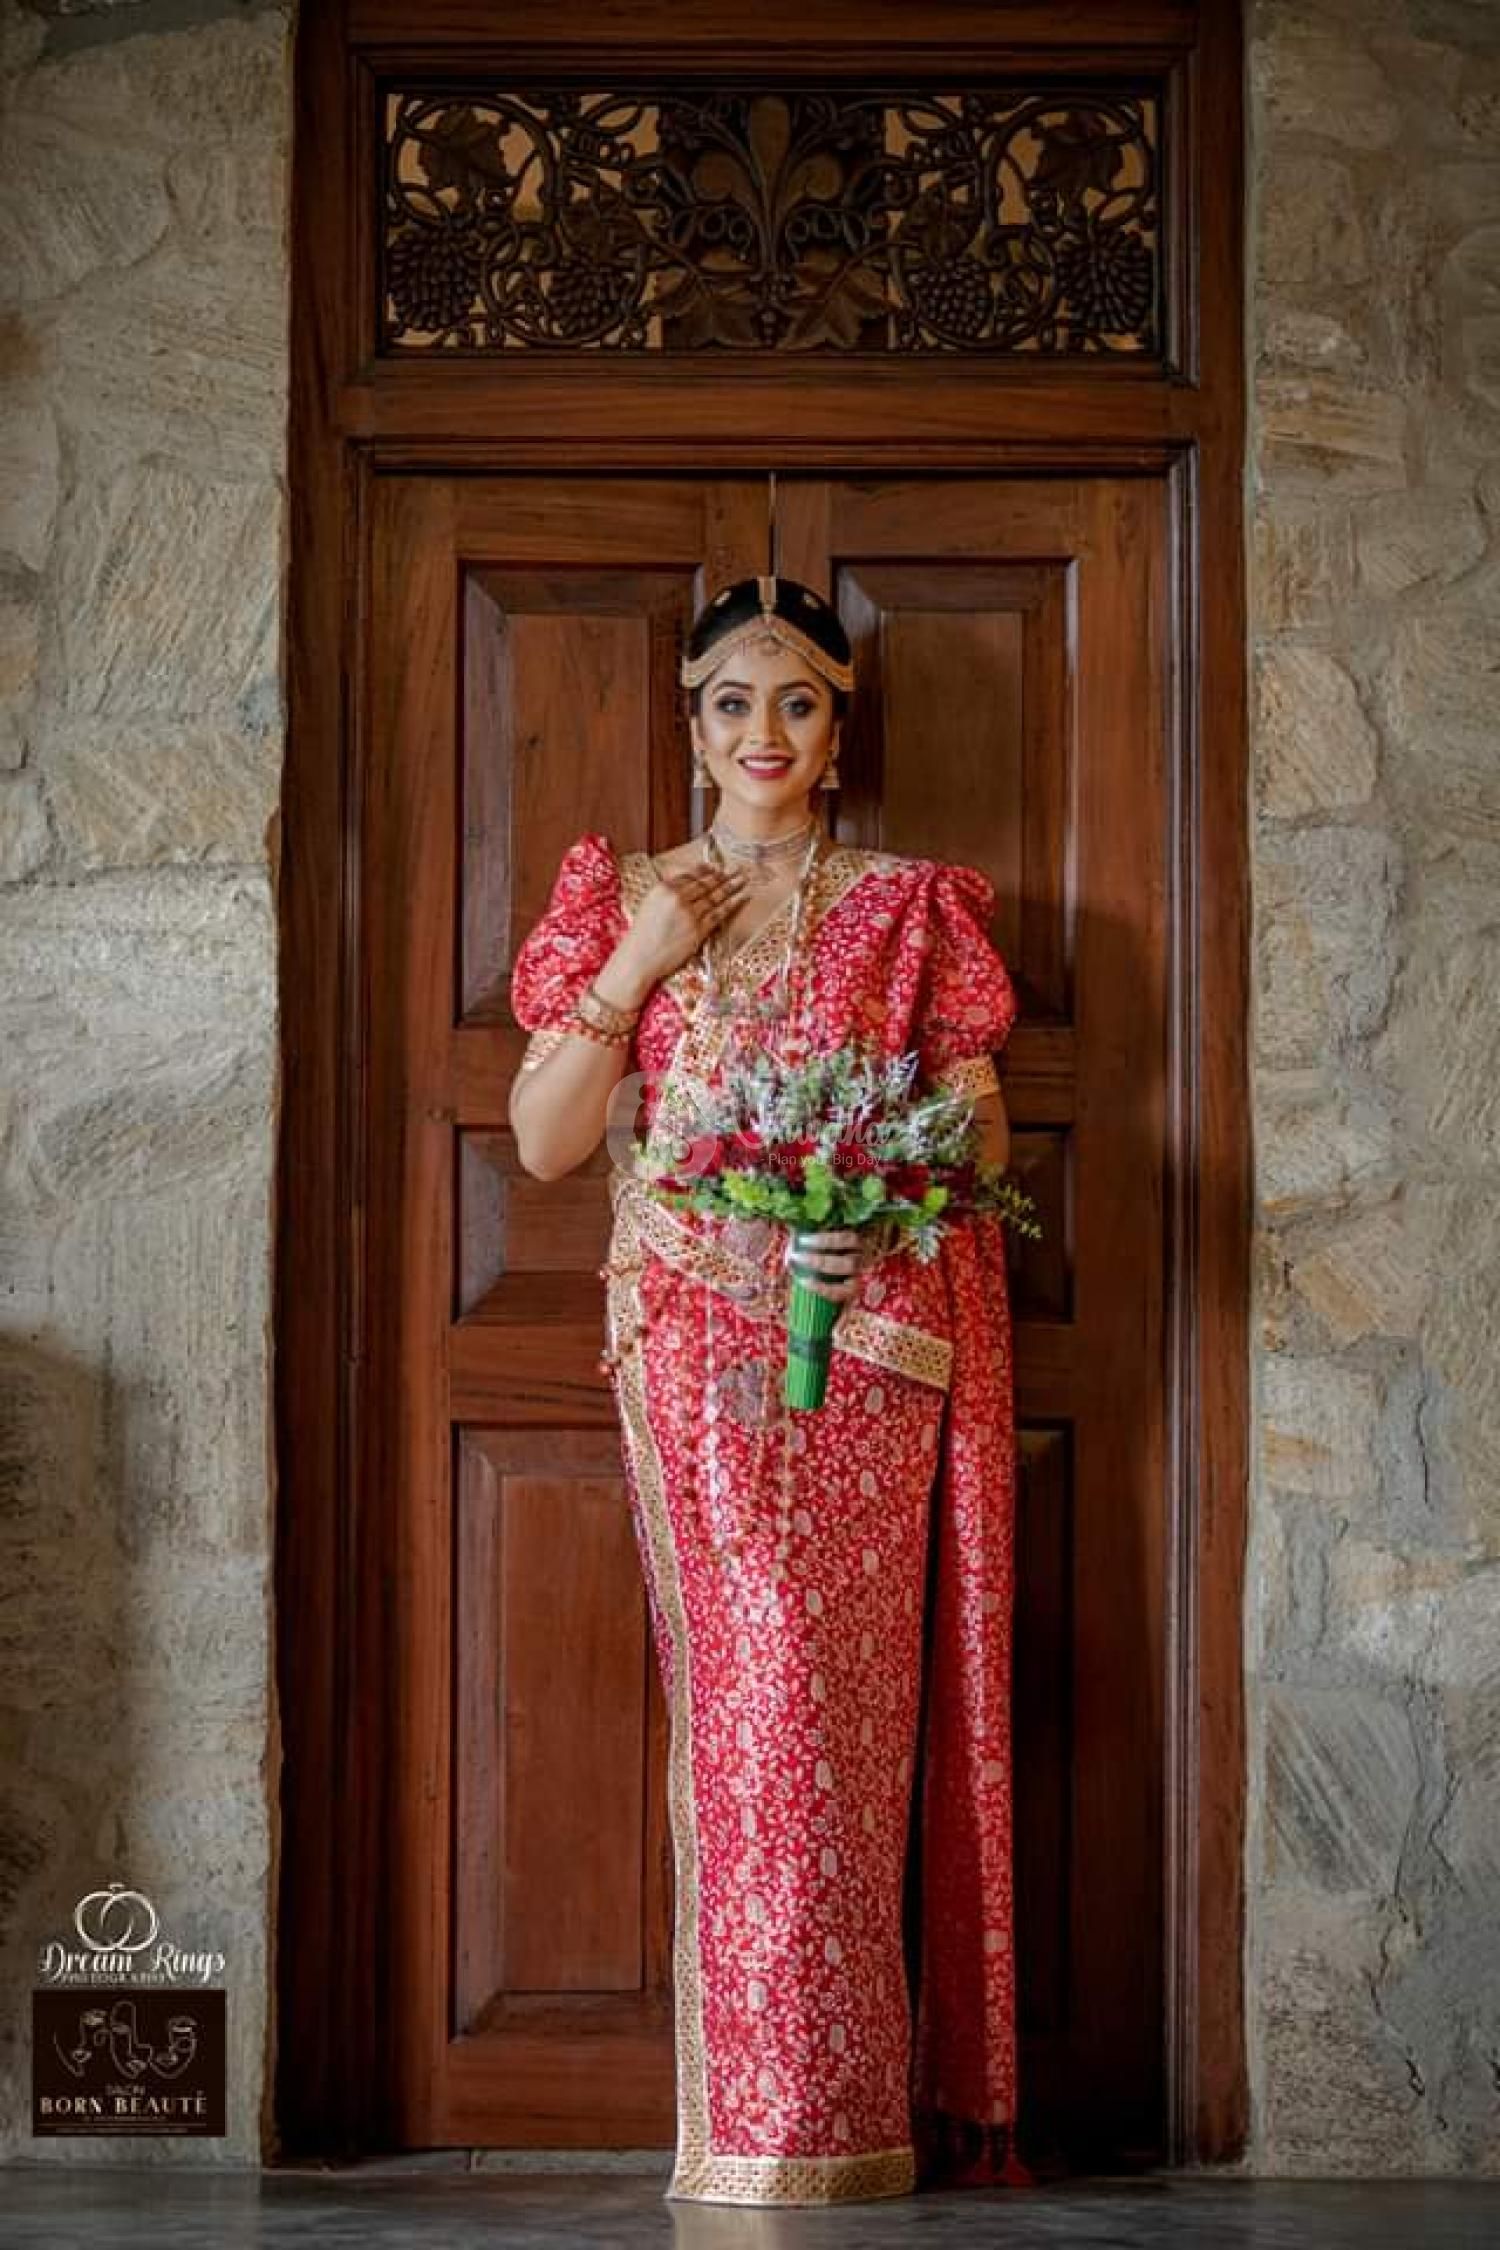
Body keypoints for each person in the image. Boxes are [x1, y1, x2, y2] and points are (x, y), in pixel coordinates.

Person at [508, 575, 1031, 2207]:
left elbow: (980, 1138)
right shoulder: (629, 895)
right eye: (732, 702)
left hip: (868, 1354)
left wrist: (875, 1198)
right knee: (762, 1697)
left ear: (839, 731)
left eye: (796, 701)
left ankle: (849, 2118)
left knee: (850, 1725)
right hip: (692, 1353)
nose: (764, 732)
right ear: (691, 726)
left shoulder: (904, 909)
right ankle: (761, 2123)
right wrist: (645, 955)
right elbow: (546, 1140)